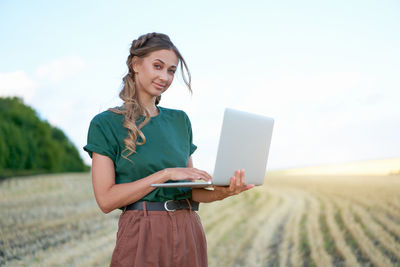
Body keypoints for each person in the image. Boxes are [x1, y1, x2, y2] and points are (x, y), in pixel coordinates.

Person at [83, 32, 254, 267]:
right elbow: (106, 199)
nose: (165, 76)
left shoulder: (180, 121)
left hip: (188, 229)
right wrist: (166, 174)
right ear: (135, 64)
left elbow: (190, 192)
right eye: (157, 66)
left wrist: (223, 191)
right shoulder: (105, 124)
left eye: (171, 70)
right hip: (142, 230)